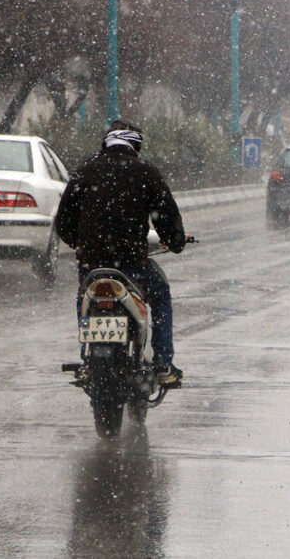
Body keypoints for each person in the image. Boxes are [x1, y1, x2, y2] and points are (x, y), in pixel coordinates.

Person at [55, 120, 187, 384]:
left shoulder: (84, 171)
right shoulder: (145, 172)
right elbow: (166, 218)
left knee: (85, 300)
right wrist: (175, 241)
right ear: (135, 145)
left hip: (92, 265)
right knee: (160, 295)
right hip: (131, 264)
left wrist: (81, 244)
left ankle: (87, 359)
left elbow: (63, 223)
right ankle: (162, 362)